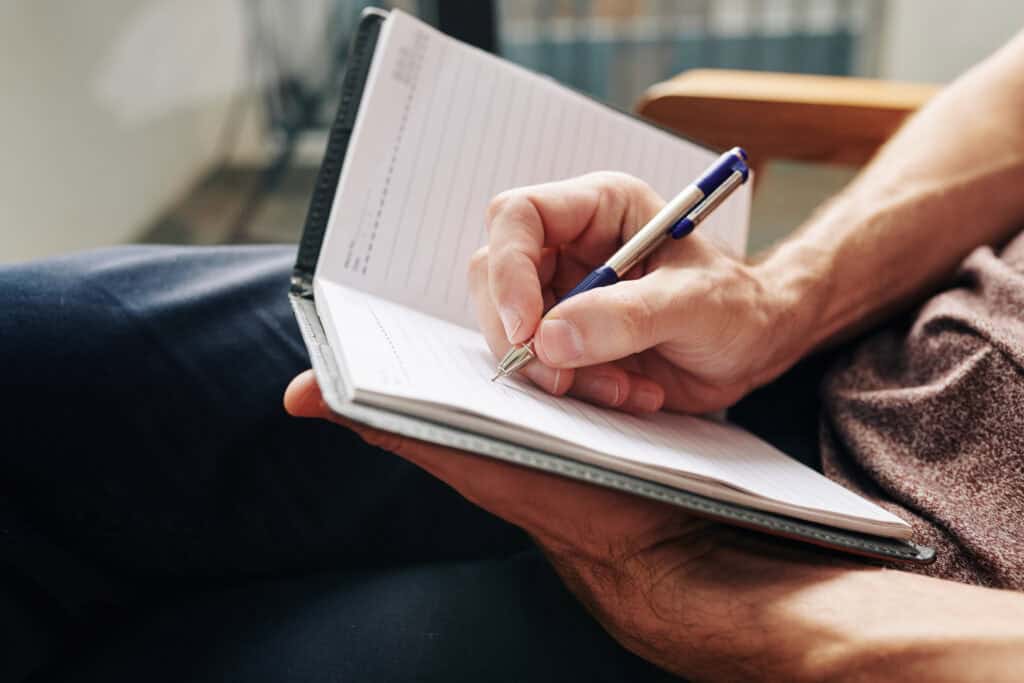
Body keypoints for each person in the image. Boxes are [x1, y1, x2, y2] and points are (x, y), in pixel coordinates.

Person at [4, 27, 1024, 683]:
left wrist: (722, 600)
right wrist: (779, 301)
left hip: (897, 616)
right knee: (34, 354)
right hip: (850, 368)